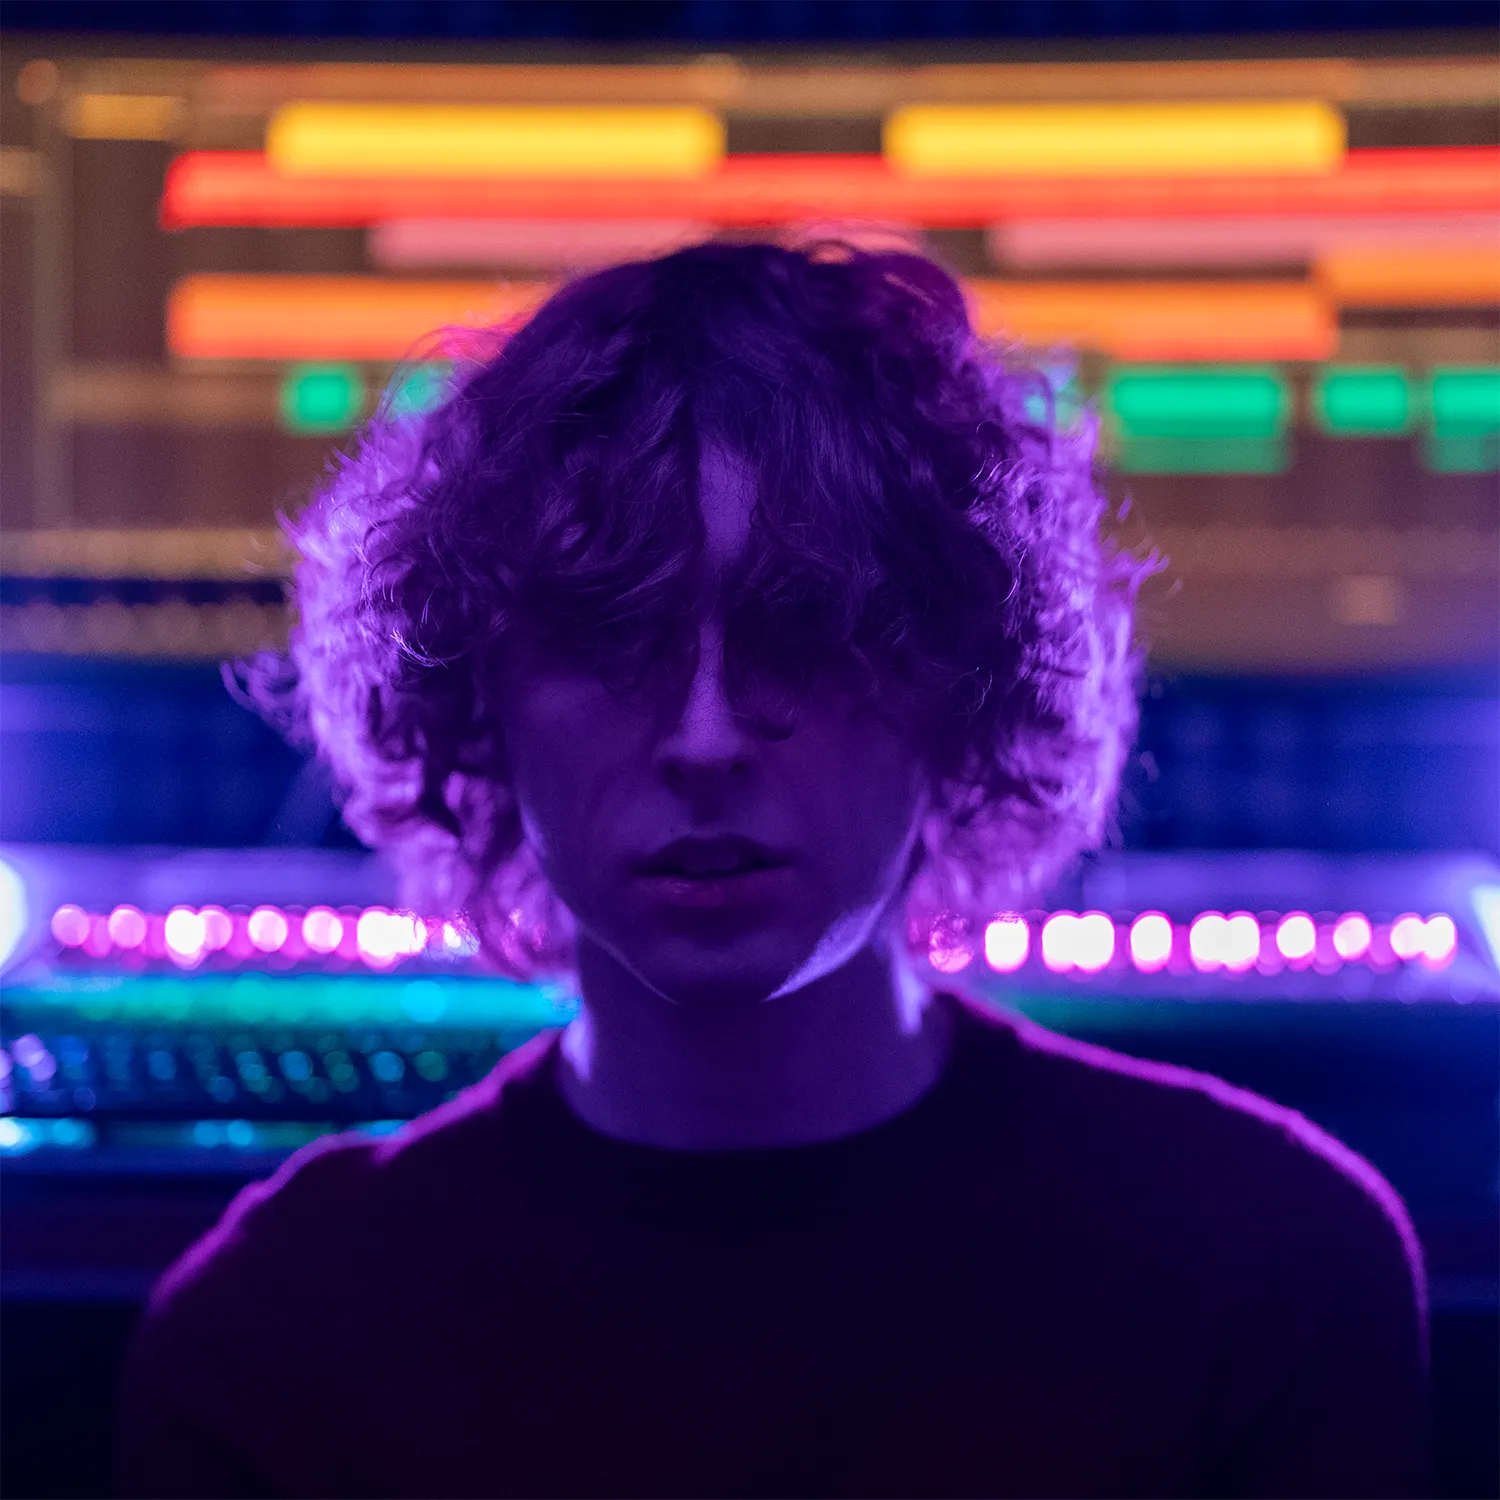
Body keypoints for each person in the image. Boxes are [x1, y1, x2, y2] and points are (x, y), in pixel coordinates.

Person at [117, 242, 1429, 1499]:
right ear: (477, 707)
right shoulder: (278, 1335)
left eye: (800, 631)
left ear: (963, 688)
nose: (704, 737)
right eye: (612, 639)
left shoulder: (1269, 1272)